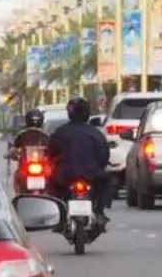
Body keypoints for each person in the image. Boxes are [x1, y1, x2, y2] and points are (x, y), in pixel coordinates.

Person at [45, 98, 112, 228]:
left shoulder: (60, 132)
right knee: (107, 181)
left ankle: (60, 212)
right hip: (91, 174)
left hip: (65, 175)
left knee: (51, 182)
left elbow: (50, 153)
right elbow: (104, 155)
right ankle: (99, 212)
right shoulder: (96, 133)